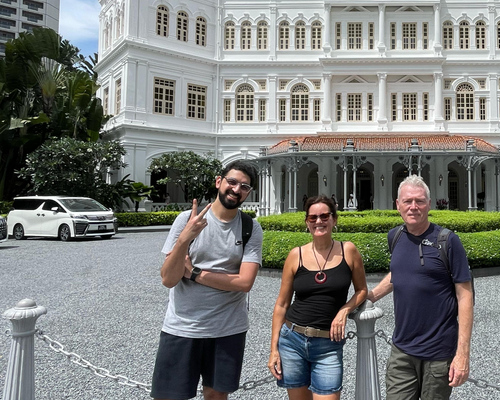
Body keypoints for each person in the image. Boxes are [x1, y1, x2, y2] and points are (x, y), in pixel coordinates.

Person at [151, 160, 263, 400]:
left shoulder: (250, 228)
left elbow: (245, 283)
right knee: (170, 396)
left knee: (216, 396)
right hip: (182, 326)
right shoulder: (186, 220)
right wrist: (184, 239)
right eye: (232, 182)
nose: (236, 190)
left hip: (227, 328)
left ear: (249, 192)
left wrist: (194, 274)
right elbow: (168, 279)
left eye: (244, 186)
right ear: (219, 182)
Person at [368, 175, 473, 400]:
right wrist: (370, 296)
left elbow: (465, 296)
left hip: (438, 353)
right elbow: (399, 273)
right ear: (397, 205)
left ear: (429, 203)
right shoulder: (395, 236)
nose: (413, 207)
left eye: (419, 201)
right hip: (402, 349)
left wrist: (462, 354)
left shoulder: (448, 241)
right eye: (407, 201)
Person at [269, 195, 368, 399]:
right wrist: (273, 349)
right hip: (292, 340)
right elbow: (281, 304)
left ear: (334, 219)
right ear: (307, 222)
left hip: (328, 344)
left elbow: (362, 290)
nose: (318, 221)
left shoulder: (348, 250)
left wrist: (344, 310)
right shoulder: (296, 255)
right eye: (312, 218)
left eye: (324, 216)